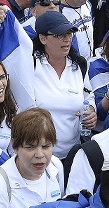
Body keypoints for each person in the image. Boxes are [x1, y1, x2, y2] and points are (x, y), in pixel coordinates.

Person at [31, 11, 96, 157]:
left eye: (69, 34)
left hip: (73, 154)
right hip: (38, 155)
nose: (66, 39)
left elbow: (88, 95)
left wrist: (91, 110)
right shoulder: (30, 64)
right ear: (42, 38)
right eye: (59, 35)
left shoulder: (79, 65)